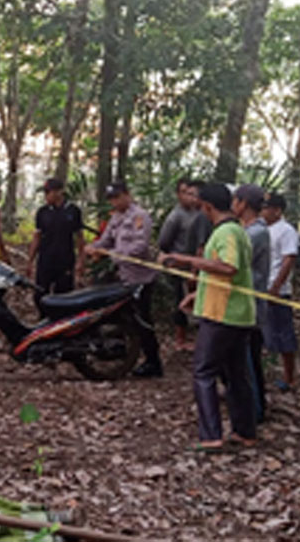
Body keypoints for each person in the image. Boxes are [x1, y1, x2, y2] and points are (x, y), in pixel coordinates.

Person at [159, 182, 257, 452]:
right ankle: (244, 432)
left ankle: (211, 435)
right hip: (234, 312)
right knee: (236, 375)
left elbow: (228, 267)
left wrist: (187, 260)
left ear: (208, 207)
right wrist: (196, 295)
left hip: (223, 315)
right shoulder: (234, 230)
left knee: (203, 372)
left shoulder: (226, 232)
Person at [85, 181, 163, 377]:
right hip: (123, 276)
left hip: (141, 278)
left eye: (117, 197)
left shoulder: (140, 217)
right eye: (111, 199)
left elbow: (140, 247)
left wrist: (110, 254)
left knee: (142, 320)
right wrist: (95, 247)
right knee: (123, 318)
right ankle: (125, 355)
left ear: (127, 194)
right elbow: (106, 239)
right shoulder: (116, 217)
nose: (114, 202)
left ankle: (153, 362)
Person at [233, 184, 270, 421]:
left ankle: (254, 411)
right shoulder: (246, 230)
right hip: (244, 302)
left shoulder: (254, 234)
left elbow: (233, 266)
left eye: (235, 200)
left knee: (248, 361)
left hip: (249, 305)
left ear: (244, 203)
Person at [157, 178, 203, 350]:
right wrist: (174, 259)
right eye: (185, 193)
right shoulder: (175, 216)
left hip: (196, 266)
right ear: (178, 195)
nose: (189, 197)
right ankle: (180, 339)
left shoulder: (199, 213)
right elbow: (164, 242)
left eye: (191, 193)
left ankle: (197, 339)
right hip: (179, 267)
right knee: (180, 301)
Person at [261, 193, 300, 391]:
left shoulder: (286, 230)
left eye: (266, 207)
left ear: (277, 210)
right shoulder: (262, 229)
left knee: (283, 333)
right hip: (261, 288)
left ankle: (289, 376)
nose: (262, 211)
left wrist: (276, 286)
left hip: (277, 291)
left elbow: (288, 259)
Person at [26, 178, 84, 303]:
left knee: (64, 295)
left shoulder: (73, 211)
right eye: (45, 193)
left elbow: (79, 237)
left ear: (59, 192)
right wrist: (30, 261)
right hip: (46, 259)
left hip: (65, 260)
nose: (46, 196)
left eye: (49, 192)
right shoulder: (42, 212)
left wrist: (80, 260)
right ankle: (43, 318)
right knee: (40, 293)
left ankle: (60, 320)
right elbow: (37, 237)